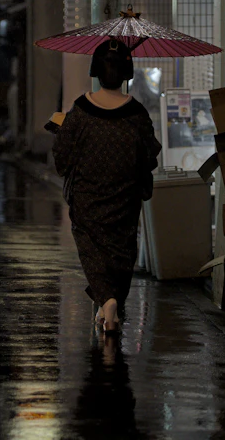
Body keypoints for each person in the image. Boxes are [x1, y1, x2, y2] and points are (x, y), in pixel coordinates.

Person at [51, 39, 162, 333]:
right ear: (128, 73)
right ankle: (111, 303)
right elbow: (150, 154)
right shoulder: (137, 114)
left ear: (96, 72)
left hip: (88, 200)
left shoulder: (80, 111)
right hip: (125, 199)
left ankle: (107, 300)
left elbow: (62, 156)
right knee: (122, 252)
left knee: (91, 251)